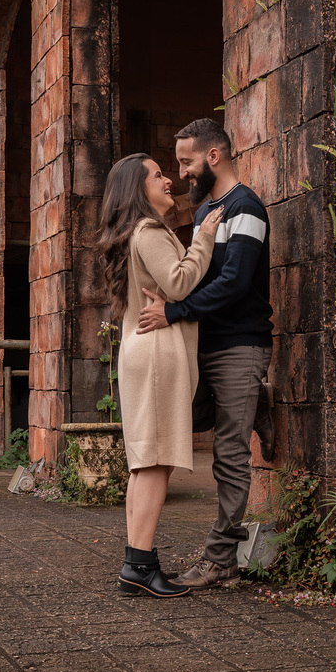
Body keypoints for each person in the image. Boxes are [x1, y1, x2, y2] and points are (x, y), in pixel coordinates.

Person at [136, 118, 275, 590]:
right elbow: (191, 272)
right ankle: (259, 408)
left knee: (228, 454)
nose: (182, 173)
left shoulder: (246, 208)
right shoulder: (202, 215)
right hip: (202, 344)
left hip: (239, 342)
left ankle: (220, 560)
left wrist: (175, 311)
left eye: (187, 162)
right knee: (191, 419)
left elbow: (235, 283)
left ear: (213, 156)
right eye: (176, 165)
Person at [97, 152, 224, 598]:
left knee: (145, 464)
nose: (168, 180)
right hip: (156, 357)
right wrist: (203, 237)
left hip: (141, 353)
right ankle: (139, 565)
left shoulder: (136, 233)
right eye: (157, 175)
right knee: (154, 464)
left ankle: (138, 564)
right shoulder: (149, 230)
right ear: (138, 188)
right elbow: (177, 284)